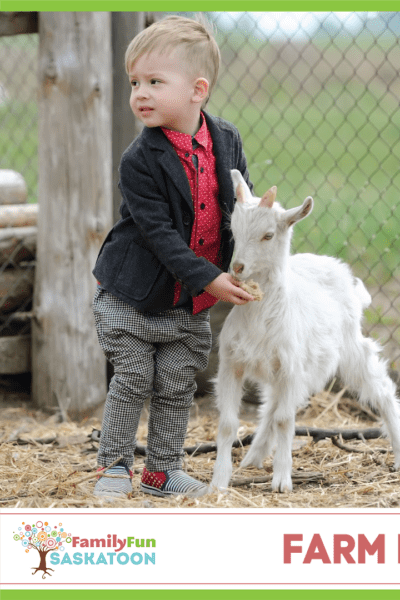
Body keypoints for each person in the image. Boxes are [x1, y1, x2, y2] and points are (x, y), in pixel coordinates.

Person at [92, 14, 255, 498]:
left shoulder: (227, 141)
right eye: (134, 82)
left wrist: (257, 221)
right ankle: (114, 469)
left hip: (185, 305)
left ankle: (162, 473)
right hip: (132, 298)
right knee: (136, 375)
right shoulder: (139, 160)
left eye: (154, 82)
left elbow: (239, 202)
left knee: (177, 382)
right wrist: (210, 277)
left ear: (197, 90)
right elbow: (160, 236)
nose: (140, 92)